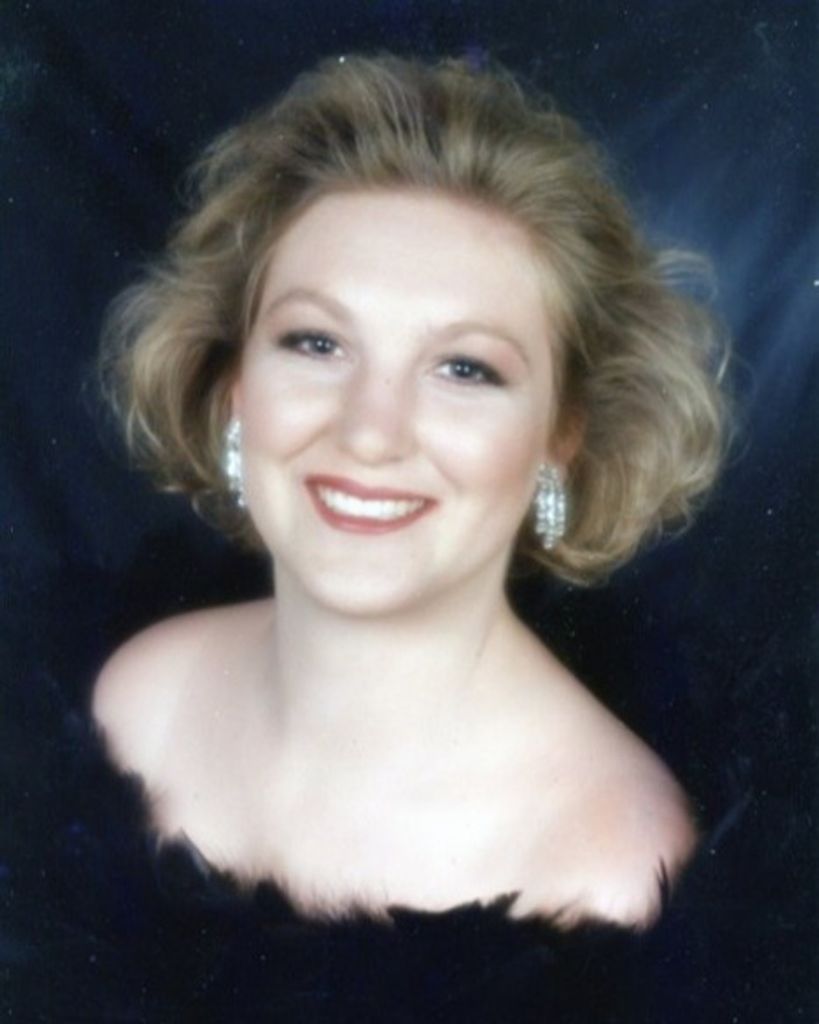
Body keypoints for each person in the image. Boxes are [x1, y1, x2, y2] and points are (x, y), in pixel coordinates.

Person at [6, 52, 731, 1021]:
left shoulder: (608, 877)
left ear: (562, 435)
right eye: (316, 343)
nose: (369, 431)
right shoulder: (139, 702)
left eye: (464, 368)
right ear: (234, 386)